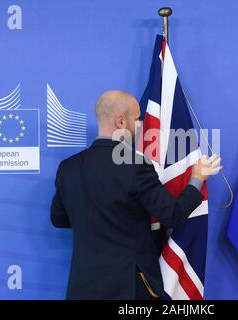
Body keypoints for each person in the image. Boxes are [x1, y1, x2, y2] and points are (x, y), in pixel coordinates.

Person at [50, 90, 222, 299]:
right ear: (121, 121)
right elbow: (173, 215)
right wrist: (197, 178)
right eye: (137, 118)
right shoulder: (136, 166)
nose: (140, 125)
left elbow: (58, 219)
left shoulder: (68, 168)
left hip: (81, 289)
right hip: (129, 289)